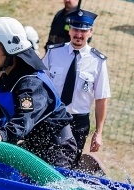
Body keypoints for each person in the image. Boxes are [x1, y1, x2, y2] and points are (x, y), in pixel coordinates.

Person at [0, 17, 77, 167]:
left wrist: (4, 134)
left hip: (57, 149)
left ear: (9, 50)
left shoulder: (31, 83)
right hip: (35, 145)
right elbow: (2, 102)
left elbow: (25, 118)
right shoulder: (11, 76)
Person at [42, 9, 110, 166]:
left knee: (68, 166)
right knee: (43, 162)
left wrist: (98, 133)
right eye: (75, 30)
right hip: (52, 116)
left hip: (77, 123)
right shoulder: (54, 53)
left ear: (90, 32)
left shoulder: (98, 61)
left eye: (83, 31)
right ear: (69, 30)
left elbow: (101, 99)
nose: (79, 35)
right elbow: (40, 85)